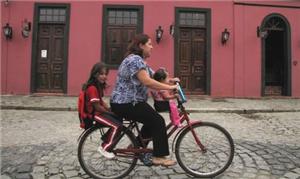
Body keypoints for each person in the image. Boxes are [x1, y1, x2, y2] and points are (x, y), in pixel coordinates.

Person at [110, 34, 178, 166]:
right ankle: (159, 156)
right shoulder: (135, 60)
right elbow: (148, 82)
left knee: (151, 121)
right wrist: (170, 87)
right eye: (149, 44)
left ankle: (136, 147)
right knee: (158, 121)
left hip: (130, 103)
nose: (152, 47)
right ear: (141, 46)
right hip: (126, 103)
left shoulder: (141, 62)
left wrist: (172, 81)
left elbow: (155, 77)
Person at [82, 62, 122, 159]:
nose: (104, 76)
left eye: (105, 74)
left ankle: (107, 138)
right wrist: (109, 112)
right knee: (116, 126)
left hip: (99, 112)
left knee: (119, 119)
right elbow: (97, 107)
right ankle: (104, 147)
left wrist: (109, 109)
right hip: (95, 114)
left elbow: (101, 102)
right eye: (101, 74)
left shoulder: (97, 86)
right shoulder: (92, 88)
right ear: (95, 74)